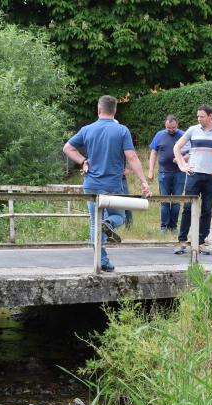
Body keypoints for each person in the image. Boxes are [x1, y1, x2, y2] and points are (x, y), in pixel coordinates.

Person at [62, 95, 151, 272]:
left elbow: (67, 148)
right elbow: (131, 157)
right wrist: (143, 181)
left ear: (98, 109)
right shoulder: (122, 130)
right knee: (120, 217)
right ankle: (108, 225)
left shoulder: (87, 129)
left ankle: (102, 261)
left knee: (95, 223)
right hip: (112, 184)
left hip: (91, 184)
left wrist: (83, 161)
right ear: (115, 110)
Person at [172, 104, 212, 256]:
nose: (199, 119)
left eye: (202, 116)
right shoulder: (193, 130)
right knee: (187, 208)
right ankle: (182, 241)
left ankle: (201, 242)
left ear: (210, 116)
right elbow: (176, 148)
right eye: (198, 116)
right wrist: (182, 165)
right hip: (193, 175)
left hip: (211, 176)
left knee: (206, 210)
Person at [147, 115, 185, 233]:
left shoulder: (183, 135)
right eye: (169, 128)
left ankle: (173, 227)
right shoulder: (159, 135)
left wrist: (181, 159)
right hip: (164, 173)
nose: (171, 130)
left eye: (173, 127)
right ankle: (163, 226)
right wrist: (150, 171)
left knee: (176, 200)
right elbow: (153, 153)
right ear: (165, 125)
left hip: (180, 173)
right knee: (164, 200)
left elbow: (191, 152)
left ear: (177, 125)